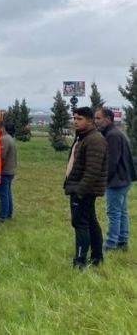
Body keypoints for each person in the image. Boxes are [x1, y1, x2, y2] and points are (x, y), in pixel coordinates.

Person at [64, 107, 108, 270]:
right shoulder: (83, 137)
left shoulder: (94, 139)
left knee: (80, 224)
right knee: (90, 221)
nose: (76, 121)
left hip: (83, 190)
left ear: (90, 121)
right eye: (74, 118)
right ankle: (97, 257)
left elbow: (93, 170)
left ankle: (80, 261)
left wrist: (80, 191)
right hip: (79, 187)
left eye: (80, 118)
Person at [95, 107, 136, 252]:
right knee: (122, 212)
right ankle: (122, 242)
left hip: (117, 181)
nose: (96, 122)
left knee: (113, 213)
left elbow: (111, 161)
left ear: (108, 118)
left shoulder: (112, 135)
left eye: (98, 118)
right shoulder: (117, 132)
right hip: (125, 179)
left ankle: (111, 244)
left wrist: (104, 180)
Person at [0, 122, 18, 222]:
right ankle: (9, 213)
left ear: (2, 128)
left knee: (3, 194)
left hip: (4, 171)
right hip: (11, 170)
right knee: (8, 193)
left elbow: (2, 156)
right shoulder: (10, 138)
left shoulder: (4, 139)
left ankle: (3, 215)